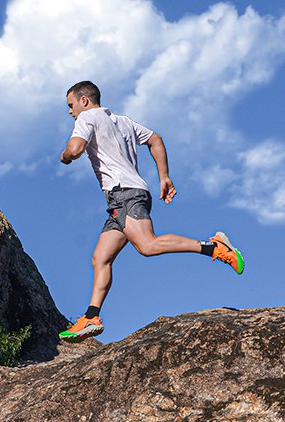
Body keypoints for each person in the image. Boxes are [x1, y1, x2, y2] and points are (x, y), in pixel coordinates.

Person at [57, 81, 244, 342]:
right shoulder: (123, 121)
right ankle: (91, 317)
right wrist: (164, 177)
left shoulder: (87, 117)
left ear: (84, 101)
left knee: (147, 245)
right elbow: (155, 139)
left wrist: (65, 155)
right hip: (124, 198)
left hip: (125, 195)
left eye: (71, 105)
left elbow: (75, 150)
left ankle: (215, 247)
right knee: (101, 257)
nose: (70, 111)